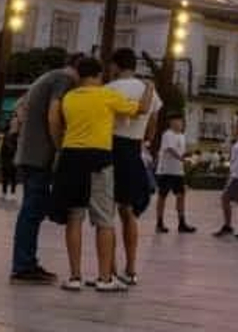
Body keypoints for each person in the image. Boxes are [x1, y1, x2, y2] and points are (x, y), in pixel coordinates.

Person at [49, 56, 151, 293]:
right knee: (104, 220)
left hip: (71, 157)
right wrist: (149, 87)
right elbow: (142, 109)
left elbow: (58, 120)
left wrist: (59, 146)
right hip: (99, 159)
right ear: (98, 75)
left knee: (74, 218)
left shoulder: (69, 98)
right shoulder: (107, 95)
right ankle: (105, 278)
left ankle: (75, 277)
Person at [11, 53, 82, 284]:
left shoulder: (46, 77)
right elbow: (54, 114)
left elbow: (19, 106)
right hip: (39, 155)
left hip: (28, 153)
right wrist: (60, 146)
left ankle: (25, 263)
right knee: (32, 212)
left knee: (32, 210)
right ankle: (23, 266)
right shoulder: (65, 80)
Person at [104, 48, 161, 285]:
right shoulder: (147, 90)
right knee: (128, 213)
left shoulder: (109, 89)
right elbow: (153, 123)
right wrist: (145, 140)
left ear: (116, 66)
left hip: (111, 148)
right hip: (134, 149)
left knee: (107, 214)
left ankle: (111, 269)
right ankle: (131, 269)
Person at [153, 114, 196, 233]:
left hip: (178, 172)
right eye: (176, 121)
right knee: (162, 197)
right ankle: (159, 223)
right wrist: (182, 159)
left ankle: (182, 223)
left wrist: (189, 157)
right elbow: (170, 150)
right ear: (171, 122)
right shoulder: (167, 134)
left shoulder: (182, 136)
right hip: (165, 171)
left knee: (181, 196)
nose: (179, 124)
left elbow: (181, 152)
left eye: (181, 121)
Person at [0, 108, 21, 200]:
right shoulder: (7, 133)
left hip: (13, 155)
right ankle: (4, 191)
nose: (13, 123)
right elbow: (3, 144)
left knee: (13, 174)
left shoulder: (17, 135)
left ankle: (12, 191)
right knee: (5, 173)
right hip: (6, 155)